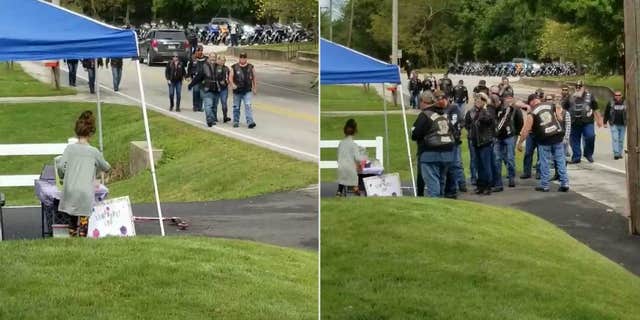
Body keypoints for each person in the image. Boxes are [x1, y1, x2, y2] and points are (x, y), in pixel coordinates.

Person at [56, 111, 111, 237]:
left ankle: (72, 235)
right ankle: (82, 236)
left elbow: (60, 166)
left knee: (72, 218)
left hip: (70, 190)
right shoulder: (94, 152)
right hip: (85, 191)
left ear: (76, 131)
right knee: (84, 218)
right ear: (91, 133)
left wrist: (63, 176)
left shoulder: (69, 149)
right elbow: (106, 167)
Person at [517, 95, 569, 192]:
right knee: (560, 160)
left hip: (544, 139)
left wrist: (520, 142)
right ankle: (565, 183)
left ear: (531, 102)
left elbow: (526, 129)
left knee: (545, 162)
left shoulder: (532, 113)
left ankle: (544, 185)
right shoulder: (551, 105)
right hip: (557, 136)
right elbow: (560, 118)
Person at [411, 90, 456, 198]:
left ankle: (436, 204)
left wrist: (412, 130)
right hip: (447, 153)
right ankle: (441, 203)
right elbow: (453, 131)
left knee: (432, 183)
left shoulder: (425, 115)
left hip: (430, 153)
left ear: (423, 102)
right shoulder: (444, 114)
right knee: (441, 181)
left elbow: (415, 134)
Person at [564, 80, 603, 163]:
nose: (578, 88)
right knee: (574, 140)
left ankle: (588, 154)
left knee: (590, 136)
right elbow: (564, 108)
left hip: (587, 122)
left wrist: (599, 119)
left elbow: (596, 108)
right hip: (574, 122)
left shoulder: (590, 96)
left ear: (584, 87)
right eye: (576, 87)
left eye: (580, 87)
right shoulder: (570, 97)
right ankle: (576, 157)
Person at [493, 91, 523, 190]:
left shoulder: (514, 109)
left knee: (510, 158)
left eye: (511, 98)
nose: (509, 100)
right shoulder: (495, 108)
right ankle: (498, 182)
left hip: (510, 135)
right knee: (497, 159)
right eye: (507, 98)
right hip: (498, 137)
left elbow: (520, 122)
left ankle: (511, 178)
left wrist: (516, 133)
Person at [469, 92, 495, 195]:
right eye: (476, 100)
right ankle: (480, 185)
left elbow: (488, 120)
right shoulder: (475, 111)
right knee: (479, 165)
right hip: (476, 142)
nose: (477, 102)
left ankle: (488, 186)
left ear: (484, 101)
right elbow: (470, 123)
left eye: (479, 100)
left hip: (485, 142)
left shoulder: (488, 110)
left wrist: (484, 108)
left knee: (486, 165)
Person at [444, 90, 467, 195]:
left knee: (456, 163)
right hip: (444, 141)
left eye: (444, 98)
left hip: (454, 139)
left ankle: (462, 184)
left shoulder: (454, 108)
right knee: (448, 164)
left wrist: (457, 130)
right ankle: (451, 185)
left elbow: (461, 121)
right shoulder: (439, 109)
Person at [336, 119, 366, 196]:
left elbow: (338, 157)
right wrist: (364, 156)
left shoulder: (341, 143)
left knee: (343, 178)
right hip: (350, 170)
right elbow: (358, 159)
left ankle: (339, 191)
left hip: (341, 168)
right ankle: (356, 189)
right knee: (356, 174)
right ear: (355, 131)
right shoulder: (354, 144)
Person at [188, 52, 218, 126]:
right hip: (206, 89)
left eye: (214, 57)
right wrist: (191, 85)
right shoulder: (204, 67)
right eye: (211, 57)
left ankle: (212, 118)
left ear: (216, 58)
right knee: (208, 105)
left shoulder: (218, 67)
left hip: (216, 89)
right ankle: (209, 120)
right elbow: (198, 77)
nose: (213, 58)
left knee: (214, 106)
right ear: (209, 58)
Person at [229, 52, 257, 129]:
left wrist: (254, 88)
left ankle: (250, 122)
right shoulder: (234, 67)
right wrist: (232, 84)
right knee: (236, 107)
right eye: (241, 57)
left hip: (247, 90)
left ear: (246, 58)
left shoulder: (251, 67)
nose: (242, 59)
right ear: (239, 58)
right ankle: (236, 121)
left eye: (244, 57)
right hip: (237, 90)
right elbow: (230, 77)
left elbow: (254, 78)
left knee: (248, 105)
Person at [603, 91, 627, 160]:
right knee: (615, 139)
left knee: (621, 140)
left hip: (623, 124)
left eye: (619, 95)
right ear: (614, 96)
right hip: (613, 124)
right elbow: (606, 113)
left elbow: (629, 113)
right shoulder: (610, 103)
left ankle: (619, 153)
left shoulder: (625, 103)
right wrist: (605, 122)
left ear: (621, 95)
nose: (617, 96)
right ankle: (616, 154)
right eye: (616, 95)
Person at [213, 55, 232, 123]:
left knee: (224, 103)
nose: (222, 62)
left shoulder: (226, 68)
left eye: (224, 60)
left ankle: (225, 116)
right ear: (218, 60)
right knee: (215, 103)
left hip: (224, 88)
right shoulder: (214, 67)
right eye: (221, 60)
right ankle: (214, 117)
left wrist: (229, 83)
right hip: (216, 88)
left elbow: (230, 77)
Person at [188, 45, 207, 112]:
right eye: (197, 51)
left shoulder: (206, 59)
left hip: (203, 79)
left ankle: (200, 106)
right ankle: (195, 106)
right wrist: (189, 75)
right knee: (196, 92)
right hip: (195, 79)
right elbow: (189, 68)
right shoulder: (193, 59)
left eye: (200, 51)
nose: (199, 52)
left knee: (201, 94)